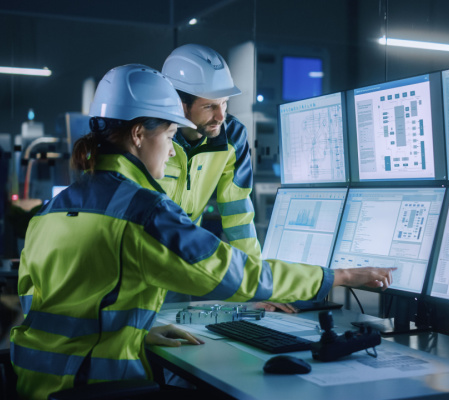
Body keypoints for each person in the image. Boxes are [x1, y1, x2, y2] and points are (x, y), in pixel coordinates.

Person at [10, 64, 394, 400]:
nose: (171, 149)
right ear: (141, 134)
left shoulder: (53, 210)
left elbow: (49, 306)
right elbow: (231, 272)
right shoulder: (141, 211)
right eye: (169, 134)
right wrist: (337, 276)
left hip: (36, 384)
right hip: (97, 384)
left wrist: (137, 333)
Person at [159, 44, 296, 312]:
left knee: (170, 341)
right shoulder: (152, 136)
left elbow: (238, 216)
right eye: (210, 106)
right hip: (135, 264)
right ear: (179, 103)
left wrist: (256, 287)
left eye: (224, 103)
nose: (221, 116)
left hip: (178, 268)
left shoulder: (232, 136)